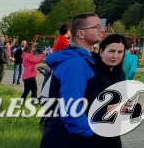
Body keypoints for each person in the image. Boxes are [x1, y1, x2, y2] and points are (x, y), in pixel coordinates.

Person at [42, 12, 104, 147]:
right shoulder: (75, 63)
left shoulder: (82, 60)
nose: (102, 30)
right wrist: (90, 133)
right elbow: (71, 108)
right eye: (97, 27)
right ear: (81, 33)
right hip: (70, 139)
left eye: (101, 26)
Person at [94, 33, 132, 148]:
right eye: (111, 51)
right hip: (92, 133)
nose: (115, 56)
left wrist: (127, 105)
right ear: (101, 51)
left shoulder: (120, 73)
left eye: (120, 52)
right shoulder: (91, 72)